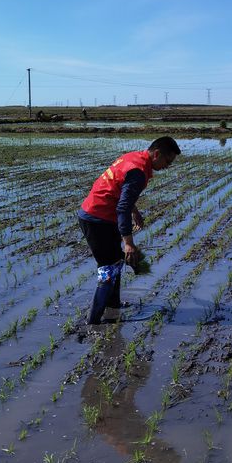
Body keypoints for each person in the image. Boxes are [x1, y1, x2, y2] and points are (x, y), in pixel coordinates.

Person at [78, 136, 181, 324]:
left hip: (98, 213)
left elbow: (120, 189)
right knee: (109, 269)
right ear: (157, 154)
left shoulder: (134, 157)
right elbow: (122, 207)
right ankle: (92, 322)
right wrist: (129, 243)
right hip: (97, 218)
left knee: (116, 261)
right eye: (168, 161)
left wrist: (135, 211)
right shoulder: (139, 171)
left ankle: (113, 309)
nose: (168, 166)